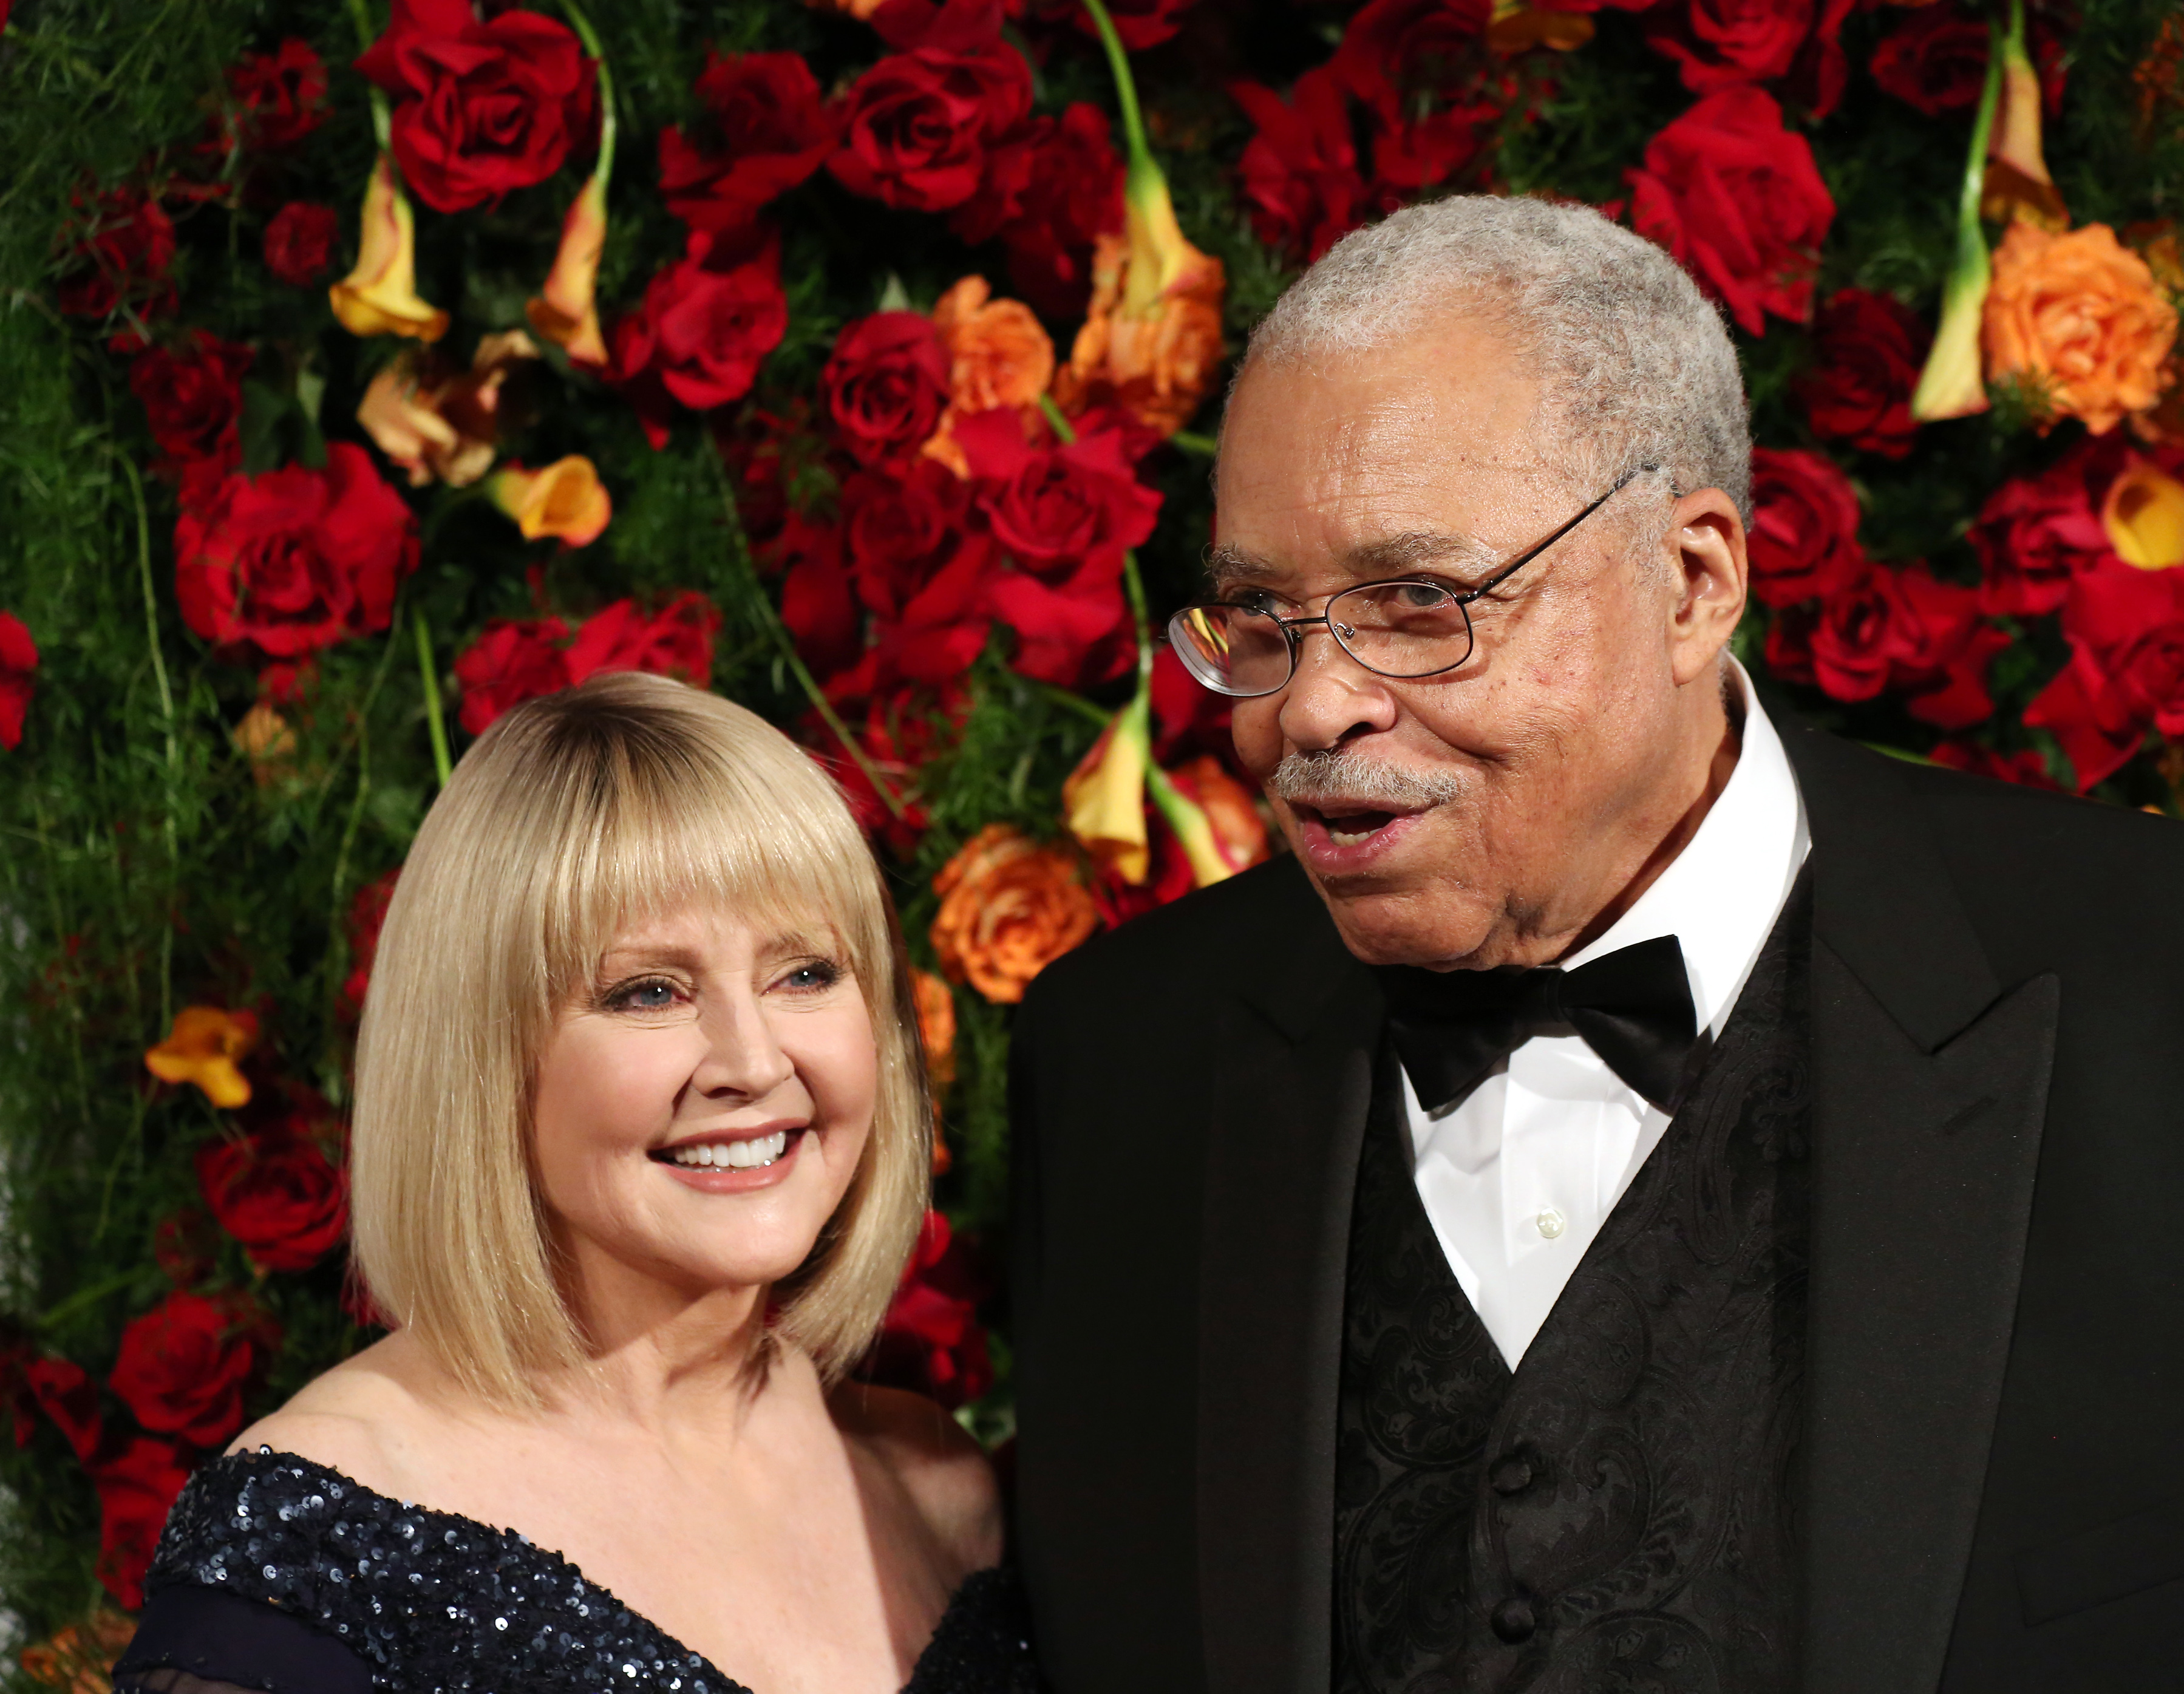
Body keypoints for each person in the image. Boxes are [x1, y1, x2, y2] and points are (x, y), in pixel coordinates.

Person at [1010, 196, 2184, 1693]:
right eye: (1259, 617)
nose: (1306, 711)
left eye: (1419, 604)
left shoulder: (2149, 983)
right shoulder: (1118, 1055)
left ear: (1692, 580)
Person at [114, 672, 1036, 1694]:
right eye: (649, 990)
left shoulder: (933, 1485)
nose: (753, 1058)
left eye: (806, 972)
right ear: (486, 1061)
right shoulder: (310, 1551)